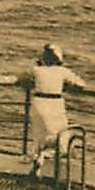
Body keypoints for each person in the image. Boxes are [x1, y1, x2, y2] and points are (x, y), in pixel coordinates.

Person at [22, 43, 86, 174]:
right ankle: (48, 157)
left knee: (39, 134)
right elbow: (81, 84)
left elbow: (21, 79)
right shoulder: (62, 72)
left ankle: (38, 158)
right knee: (60, 134)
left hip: (38, 102)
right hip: (55, 103)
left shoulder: (36, 70)